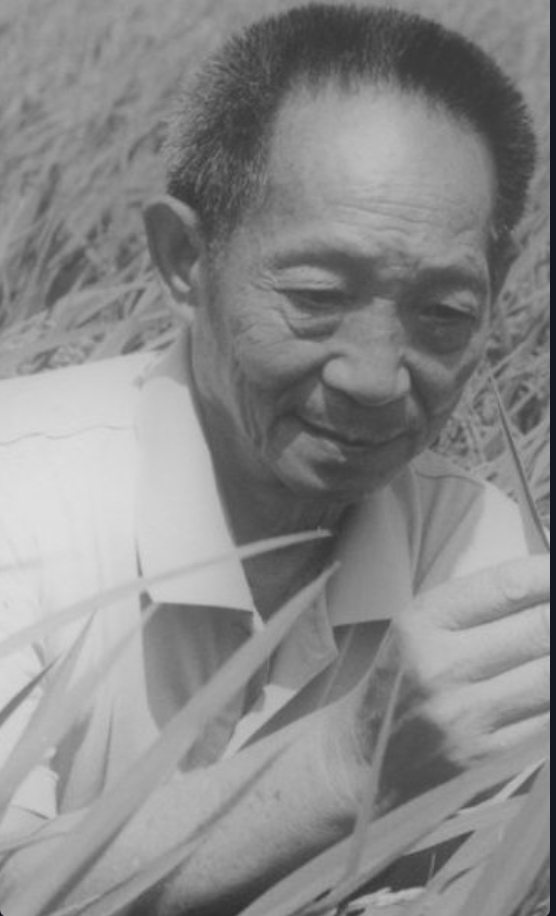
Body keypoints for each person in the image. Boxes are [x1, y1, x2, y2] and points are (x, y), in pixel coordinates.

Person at [0, 4, 549, 914]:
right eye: (317, 295)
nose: (376, 376)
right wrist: (354, 758)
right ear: (185, 260)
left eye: (444, 313)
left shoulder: (481, 551)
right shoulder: (19, 494)